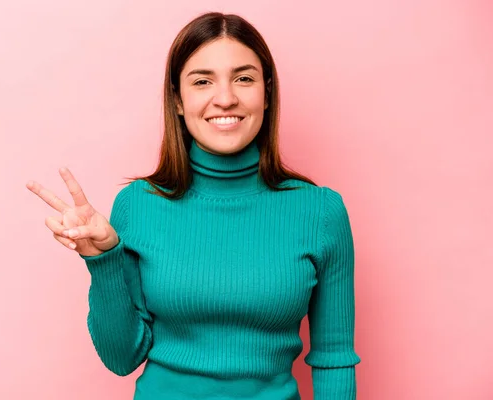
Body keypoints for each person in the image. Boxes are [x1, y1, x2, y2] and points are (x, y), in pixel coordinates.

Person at [26, 11, 361, 400]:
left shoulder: (320, 212)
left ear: (266, 94)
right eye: (202, 81)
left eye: (244, 78)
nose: (225, 98)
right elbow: (121, 358)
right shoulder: (137, 205)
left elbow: (334, 359)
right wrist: (101, 259)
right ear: (178, 100)